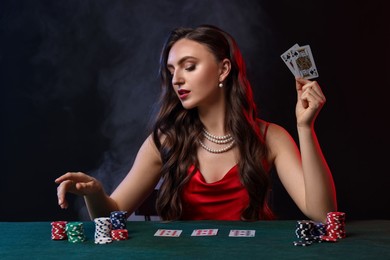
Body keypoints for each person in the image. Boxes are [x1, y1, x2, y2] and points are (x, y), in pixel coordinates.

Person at [55, 24, 337, 223]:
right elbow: (112, 214)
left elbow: (323, 214)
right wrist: (95, 194)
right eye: (171, 70)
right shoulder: (165, 140)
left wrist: (305, 128)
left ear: (224, 69)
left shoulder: (270, 136)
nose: (176, 79)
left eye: (189, 67)